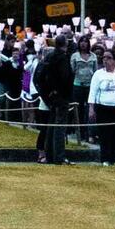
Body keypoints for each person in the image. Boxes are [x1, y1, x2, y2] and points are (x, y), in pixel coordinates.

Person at [87, 49, 115, 165]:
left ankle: (112, 159)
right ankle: (105, 159)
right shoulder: (98, 74)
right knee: (104, 134)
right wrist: (91, 108)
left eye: (109, 58)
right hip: (103, 108)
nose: (105, 60)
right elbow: (93, 92)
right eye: (104, 58)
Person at [36, 36, 74, 165]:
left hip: (51, 96)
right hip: (61, 97)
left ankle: (50, 155)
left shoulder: (49, 57)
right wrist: (58, 91)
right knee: (59, 127)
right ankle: (59, 157)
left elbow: (40, 77)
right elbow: (64, 77)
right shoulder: (62, 58)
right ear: (65, 44)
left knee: (51, 125)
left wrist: (48, 93)